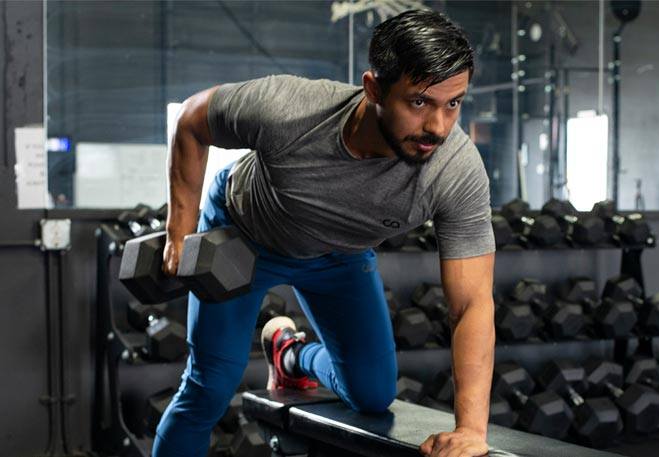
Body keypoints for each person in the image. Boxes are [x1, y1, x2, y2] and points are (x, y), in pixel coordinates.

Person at [154, 9, 495, 457]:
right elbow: (192, 121)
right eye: (419, 102)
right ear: (373, 88)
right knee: (209, 389)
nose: (438, 126)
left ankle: (290, 353)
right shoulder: (288, 108)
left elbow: (471, 303)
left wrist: (471, 429)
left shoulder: (456, 170)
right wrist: (180, 231)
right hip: (244, 236)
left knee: (373, 394)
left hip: (339, 255)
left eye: (453, 103)